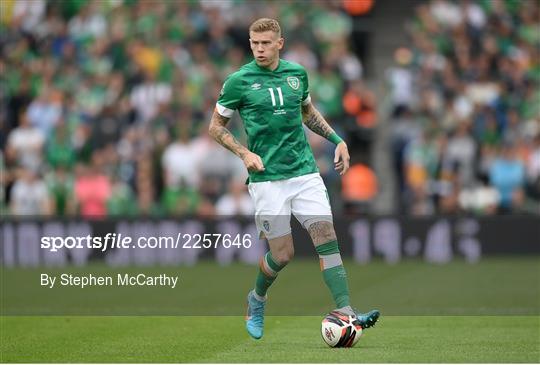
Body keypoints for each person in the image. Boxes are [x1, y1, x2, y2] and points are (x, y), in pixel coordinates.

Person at [208, 18, 379, 340]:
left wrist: (338, 140)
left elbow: (307, 113)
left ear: (279, 43)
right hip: (266, 178)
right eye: (254, 43)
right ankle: (257, 299)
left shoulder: (296, 75)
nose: (259, 49)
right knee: (283, 254)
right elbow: (215, 127)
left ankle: (346, 310)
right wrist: (244, 154)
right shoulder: (238, 82)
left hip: (304, 172)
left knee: (325, 236)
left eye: (265, 43)